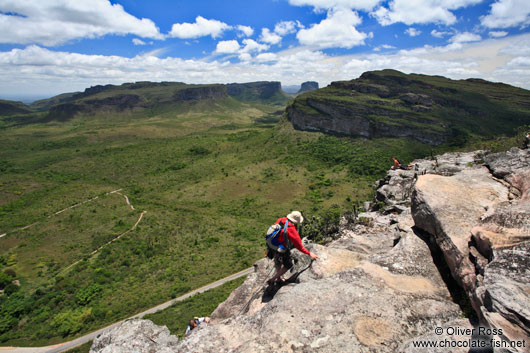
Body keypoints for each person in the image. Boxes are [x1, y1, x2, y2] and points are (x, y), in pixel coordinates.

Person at [266, 211, 318, 285]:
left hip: (273, 245)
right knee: (288, 265)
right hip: (281, 248)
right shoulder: (291, 230)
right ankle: (273, 279)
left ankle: (278, 279)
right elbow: (299, 247)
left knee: (278, 262)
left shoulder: (281, 219)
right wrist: (309, 253)